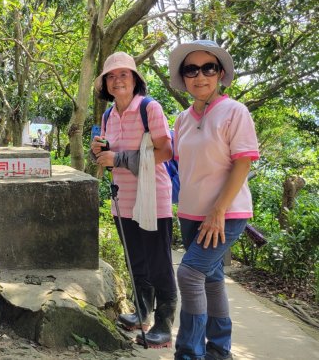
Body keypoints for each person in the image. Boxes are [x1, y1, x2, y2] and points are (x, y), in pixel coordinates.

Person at [168, 40, 259, 360]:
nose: (200, 75)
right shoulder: (181, 119)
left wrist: (218, 210)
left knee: (190, 274)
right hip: (191, 214)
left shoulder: (235, 112)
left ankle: (189, 354)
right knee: (211, 277)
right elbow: (176, 160)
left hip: (226, 212)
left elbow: (243, 162)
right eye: (191, 69)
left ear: (220, 73)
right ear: (183, 77)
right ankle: (220, 351)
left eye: (209, 68)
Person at [90, 52, 177, 348]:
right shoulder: (107, 115)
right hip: (123, 198)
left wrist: (120, 158)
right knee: (135, 259)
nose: (117, 81)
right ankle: (142, 313)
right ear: (105, 84)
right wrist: (98, 151)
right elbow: (109, 156)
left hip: (154, 197)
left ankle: (164, 323)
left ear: (135, 79)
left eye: (123, 75)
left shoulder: (149, 108)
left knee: (159, 262)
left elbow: (166, 152)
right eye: (111, 77)